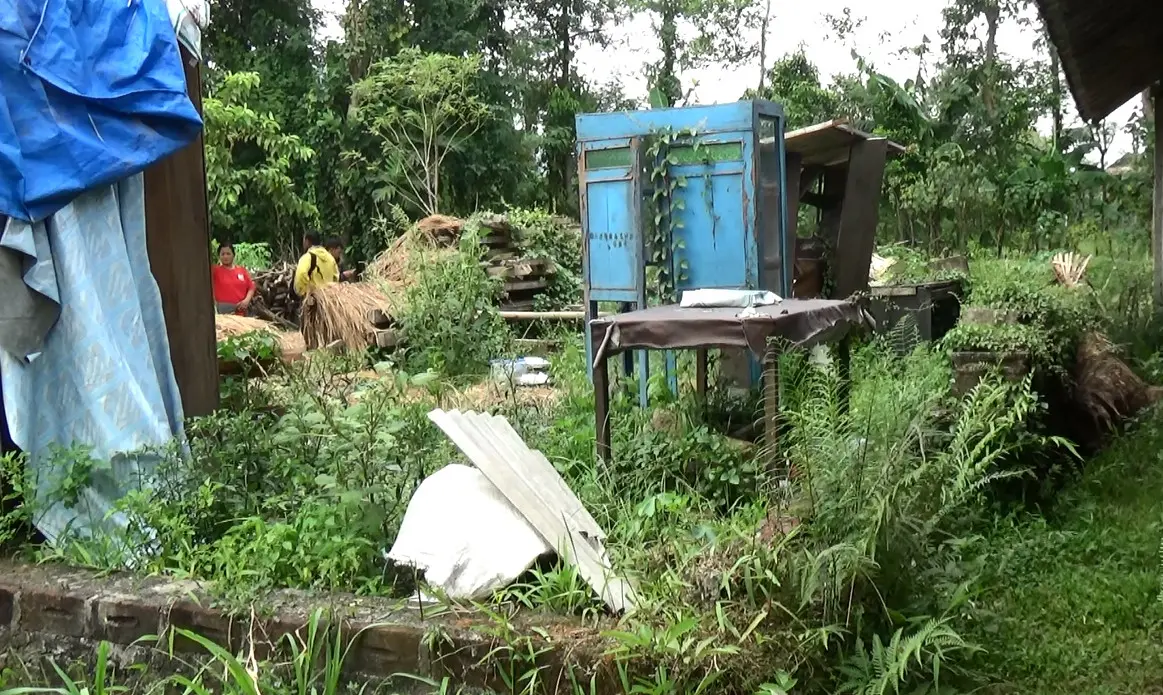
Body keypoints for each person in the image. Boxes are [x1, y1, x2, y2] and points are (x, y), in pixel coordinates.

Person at [211, 243, 256, 315]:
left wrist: (246, 301)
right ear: (219, 256)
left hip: (241, 310)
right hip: (223, 311)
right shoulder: (215, 270)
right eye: (223, 254)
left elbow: (251, 287)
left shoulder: (241, 270)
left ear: (233, 255)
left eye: (228, 254)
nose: (225, 256)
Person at [293, 231, 338, 296]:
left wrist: (304, 292)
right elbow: (336, 277)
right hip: (329, 298)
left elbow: (301, 274)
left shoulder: (306, 258)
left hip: (313, 299)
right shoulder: (331, 258)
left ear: (307, 241)